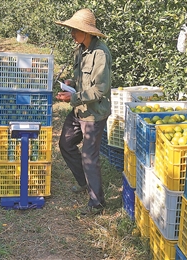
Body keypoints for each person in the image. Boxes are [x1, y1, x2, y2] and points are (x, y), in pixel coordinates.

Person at [55, 9, 112, 214]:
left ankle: (97, 203)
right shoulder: (81, 50)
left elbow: (99, 89)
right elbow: (83, 80)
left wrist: (74, 97)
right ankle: (83, 182)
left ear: (86, 32)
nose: (71, 33)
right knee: (66, 143)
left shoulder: (100, 54)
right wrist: (71, 83)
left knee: (89, 156)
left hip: (94, 113)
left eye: (74, 30)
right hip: (80, 109)